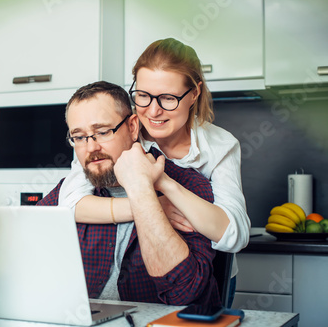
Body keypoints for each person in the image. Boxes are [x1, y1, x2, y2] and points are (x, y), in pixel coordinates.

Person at [58, 38, 251, 307]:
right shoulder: (116, 134)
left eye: (168, 98)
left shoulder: (219, 145)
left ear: (194, 93)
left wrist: (166, 185)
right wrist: (148, 204)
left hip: (209, 271)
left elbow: (234, 235)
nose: (153, 110)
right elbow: (69, 203)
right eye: (143, 96)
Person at [37, 81, 221, 306]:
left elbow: (184, 294)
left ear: (133, 127)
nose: (91, 147)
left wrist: (142, 192)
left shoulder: (189, 188)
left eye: (103, 132)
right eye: (79, 137)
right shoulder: (69, 191)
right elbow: (26, 261)